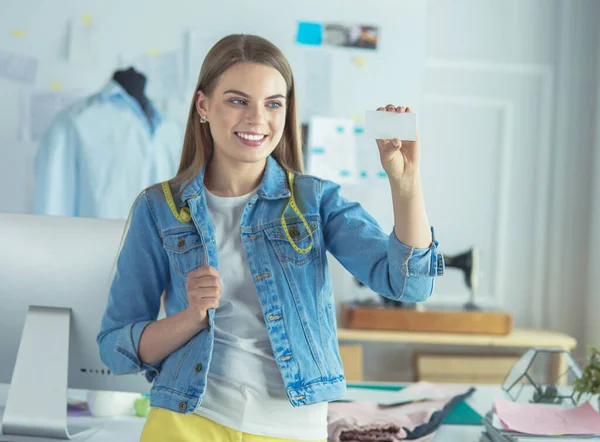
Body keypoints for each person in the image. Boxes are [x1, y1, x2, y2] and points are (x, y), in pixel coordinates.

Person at [97, 34, 444, 442]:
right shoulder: (158, 208)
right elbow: (114, 348)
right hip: (186, 420)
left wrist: (406, 186)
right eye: (238, 100)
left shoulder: (315, 201)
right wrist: (191, 315)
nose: (257, 118)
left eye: (273, 103)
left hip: (291, 428)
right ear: (203, 105)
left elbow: (409, 284)